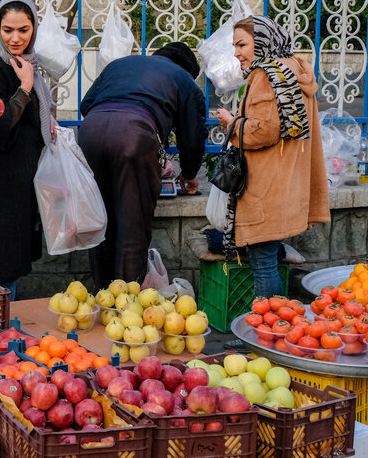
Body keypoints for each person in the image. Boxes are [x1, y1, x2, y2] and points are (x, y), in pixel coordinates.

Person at [78, 42, 207, 289]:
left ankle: (101, 294)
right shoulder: (183, 78)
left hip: (89, 135)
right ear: (187, 68)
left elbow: (86, 105)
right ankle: (125, 305)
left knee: (99, 220)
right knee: (132, 224)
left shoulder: (120, 64)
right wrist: (189, 174)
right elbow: (192, 136)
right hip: (134, 137)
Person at [217, 16, 329, 296]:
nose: (237, 53)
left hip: (266, 186)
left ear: (263, 42)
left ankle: (265, 333)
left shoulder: (268, 75)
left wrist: (231, 123)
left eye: (242, 44)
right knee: (266, 259)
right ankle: (270, 329)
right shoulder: (292, 70)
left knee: (263, 263)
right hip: (286, 182)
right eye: (235, 46)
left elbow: (264, 130)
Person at [0, 0, 54, 299]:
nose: (16, 38)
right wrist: (25, 88)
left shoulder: (28, 63)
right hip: (2, 178)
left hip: (22, 177)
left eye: (24, 29)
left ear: (34, 27)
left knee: (10, 257)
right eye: (7, 30)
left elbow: (32, 116)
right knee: (1, 259)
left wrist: (50, 122)